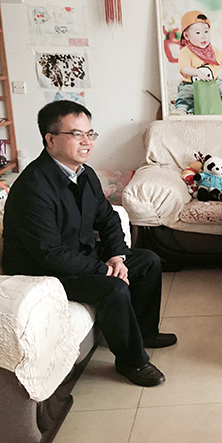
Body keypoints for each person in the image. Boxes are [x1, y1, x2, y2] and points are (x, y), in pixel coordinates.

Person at [2, 101, 177, 387]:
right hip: (45, 273)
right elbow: (49, 254)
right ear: (50, 139)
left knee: (147, 261)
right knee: (113, 288)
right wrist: (103, 269)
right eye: (76, 134)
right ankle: (131, 361)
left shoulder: (85, 174)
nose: (87, 141)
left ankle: (145, 332)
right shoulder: (33, 187)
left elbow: (108, 219)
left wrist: (117, 257)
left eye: (90, 133)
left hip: (79, 257)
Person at [173, 10, 222, 115]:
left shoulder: (211, 50)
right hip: (191, 84)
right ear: (186, 36)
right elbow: (184, 68)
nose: (203, 36)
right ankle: (182, 109)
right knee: (185, 95)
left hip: (212, 82)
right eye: (198, 33)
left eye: (206, 31)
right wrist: (197, 73)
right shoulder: (185, 52)